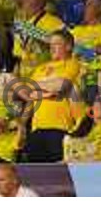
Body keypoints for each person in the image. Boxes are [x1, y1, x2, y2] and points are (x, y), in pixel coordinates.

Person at [25, 30, 84, 163]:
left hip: (61, 129)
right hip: (37, 129)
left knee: (59, 177)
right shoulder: (40, 68)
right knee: (37, 178)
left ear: (68, 46)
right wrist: (49, 91)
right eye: (50, 44)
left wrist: (39, 87)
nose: (52, 47)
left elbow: (61, 86)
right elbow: (28, 90)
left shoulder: (73, 64)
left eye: (57, 43)